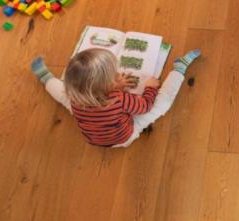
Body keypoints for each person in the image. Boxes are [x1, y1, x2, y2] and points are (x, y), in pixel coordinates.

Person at [30, 48, 201, 147]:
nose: (119, 74)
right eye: (115, 76)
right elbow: (145, 106)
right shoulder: (118, 99)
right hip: (123, 137)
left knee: (63, 95)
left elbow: (98, 94)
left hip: (93, 137)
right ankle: (179, 68)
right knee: (161, 104)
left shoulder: (76, 96)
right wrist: (149, 88)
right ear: (106, 88)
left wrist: (114, 85)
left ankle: (46, 78)